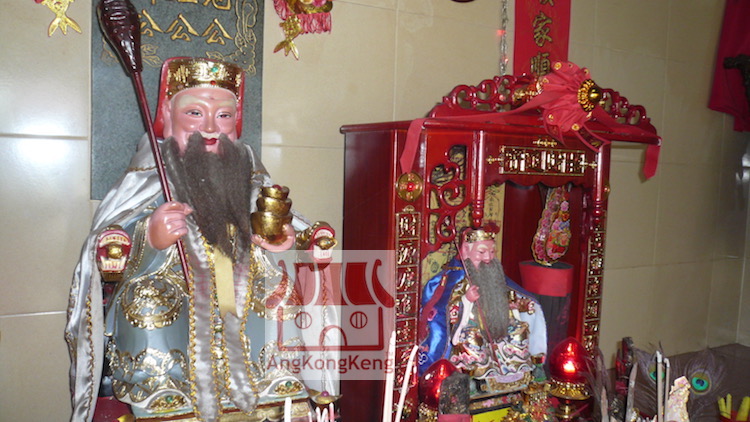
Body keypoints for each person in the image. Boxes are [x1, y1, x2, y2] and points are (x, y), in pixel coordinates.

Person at [65, 57, 337, 422]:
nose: (210, 127)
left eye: (223, 116)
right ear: (167, 115)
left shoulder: (245, 168)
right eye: (194, 113)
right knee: (148, 303)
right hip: (170, 278)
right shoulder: (149, 172)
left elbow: (279, 217)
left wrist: (289, 234)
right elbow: (111, 236)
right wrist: (151, 233)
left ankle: (274, 378)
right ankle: (161, 387)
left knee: (281, 296)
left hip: (242, 278)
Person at [417, 226, 547, 395]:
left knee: (519, 331)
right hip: (471, 327)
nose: (488, 258)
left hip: (497, 327)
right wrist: (466, 300)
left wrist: (520, 305)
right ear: (465, 251)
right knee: (473, 340)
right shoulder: (455, 281)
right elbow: (448, 310)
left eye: (492, 252)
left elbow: (508, 299)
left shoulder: (494, 276)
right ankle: (477, 380)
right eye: (481, 252)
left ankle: (518, 375)